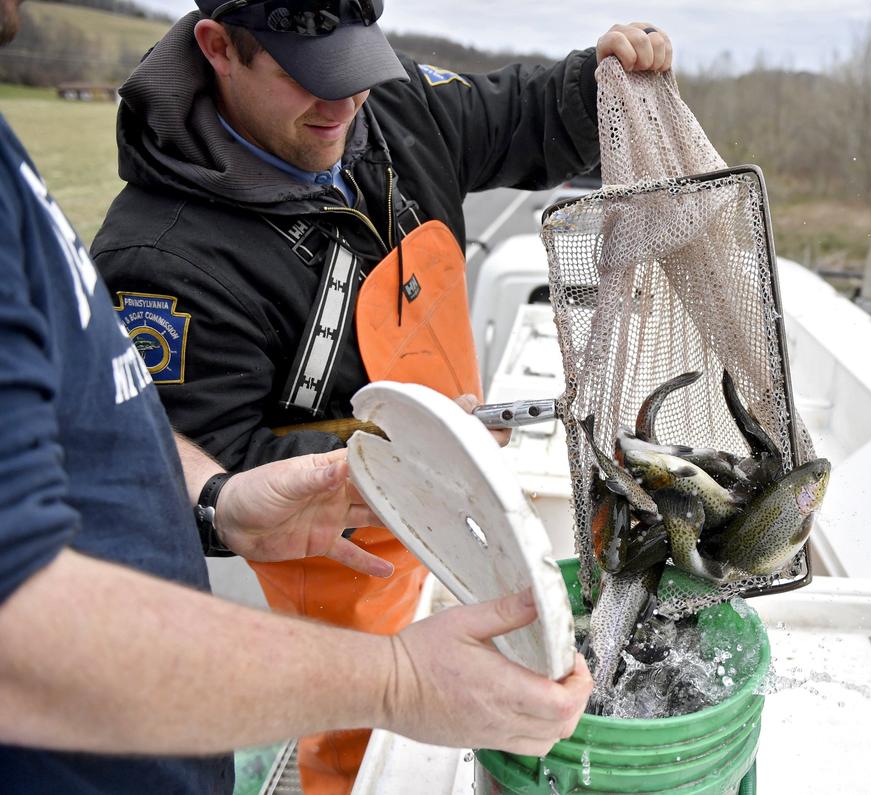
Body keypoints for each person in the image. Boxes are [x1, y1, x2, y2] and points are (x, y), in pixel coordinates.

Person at [0, 1, 595, 792]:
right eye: (309, 78)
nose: (344, 106)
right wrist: (394, 672)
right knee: (365, 759)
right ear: (219, 48)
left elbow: (518, 116)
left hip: (468, 520)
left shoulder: (391, 106)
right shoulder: (162, 261)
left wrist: (602, 82)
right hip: (342, 573)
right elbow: (183, 458)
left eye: (356, 71)